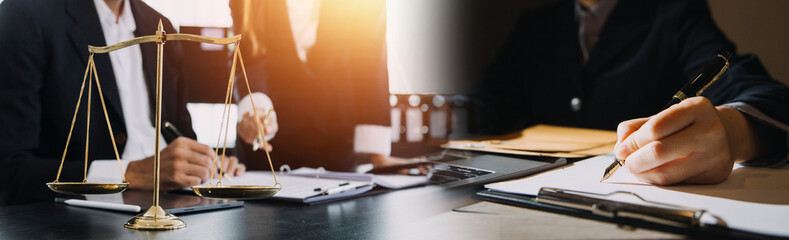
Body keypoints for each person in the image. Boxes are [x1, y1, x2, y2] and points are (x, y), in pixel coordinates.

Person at [472, 0, 789, 185]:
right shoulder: (536, 24)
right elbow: (492, 99)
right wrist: (445, 110)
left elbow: (759, 92)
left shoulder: (674, 13)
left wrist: (733, 133)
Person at [0, 0, 260, 205]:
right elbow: (9, 170)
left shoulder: (160, 26)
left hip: (177, 202)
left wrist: (203, 163)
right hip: (84, 216)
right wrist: (130, 173)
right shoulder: (24, 15)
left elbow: (178, 133)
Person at [229, 0, 413, 172]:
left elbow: (371, 57)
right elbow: (247, 51)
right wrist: (255, 110)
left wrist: (378, 155)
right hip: (268, 145)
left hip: (336, 137)